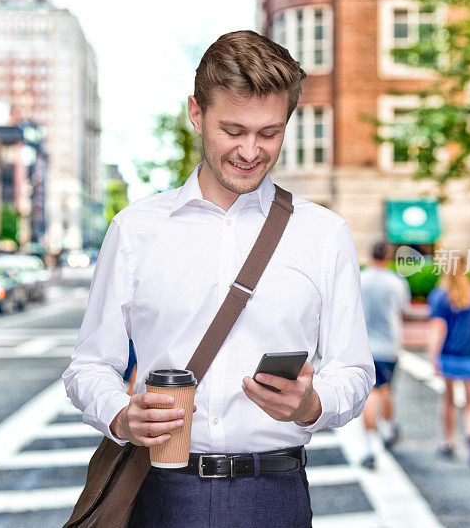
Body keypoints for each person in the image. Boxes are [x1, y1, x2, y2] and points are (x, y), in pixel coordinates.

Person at [62, 30, 374, 526]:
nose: (250, 151)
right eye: (233, 129)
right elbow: (89, 366)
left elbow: (354, 370)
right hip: (160, 492)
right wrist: (121, 415)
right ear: (196, 113)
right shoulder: (135, 229)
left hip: (276, 497)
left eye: (269, 133)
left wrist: (312, 403)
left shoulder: (323, 234)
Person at [426, 256, 470, 470]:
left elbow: (438, 329)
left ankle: (449, 441)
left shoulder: (440, 296)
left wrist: (433, 357)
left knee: (448, 400)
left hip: (449, 355)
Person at [359, 240, 411, 469]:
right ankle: (388, 430)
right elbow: (404, 310)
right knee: (386, 389)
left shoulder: (359, 278)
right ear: (389, 256)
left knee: (369, 395)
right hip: (389, 345)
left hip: (363, 345)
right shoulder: (396, 282)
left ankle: (371, 447)